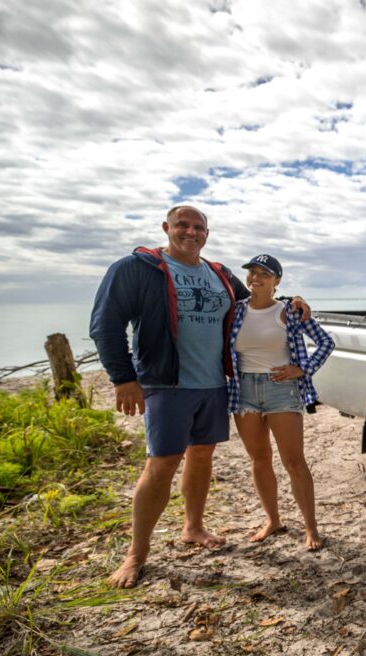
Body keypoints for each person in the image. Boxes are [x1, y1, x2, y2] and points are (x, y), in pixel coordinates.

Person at [90, 205, 309, 588]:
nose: (191, 232)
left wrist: (292, 301)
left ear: (206, 233)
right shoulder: (136, 268)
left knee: (202, 454)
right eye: (182, 226)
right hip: (166, 383)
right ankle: (135, 555)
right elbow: (106, 323)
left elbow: (257, 300)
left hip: (213, 384)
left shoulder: (220, 274)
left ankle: (193, 527)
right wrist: (123, 378)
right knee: (161, 464)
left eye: (198, 227)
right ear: (167, 228)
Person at [227, 254, 333, 550]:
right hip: (243, 390)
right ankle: (272, 520)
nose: (255, 278)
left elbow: (326, 342)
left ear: (277, 280)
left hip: (281, 389)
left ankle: (311, 528)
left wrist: (303, 369)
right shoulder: (234, 311)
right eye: (252, 273)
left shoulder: (290, 312)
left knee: (294, 462)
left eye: (264, 273)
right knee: (259, 459)